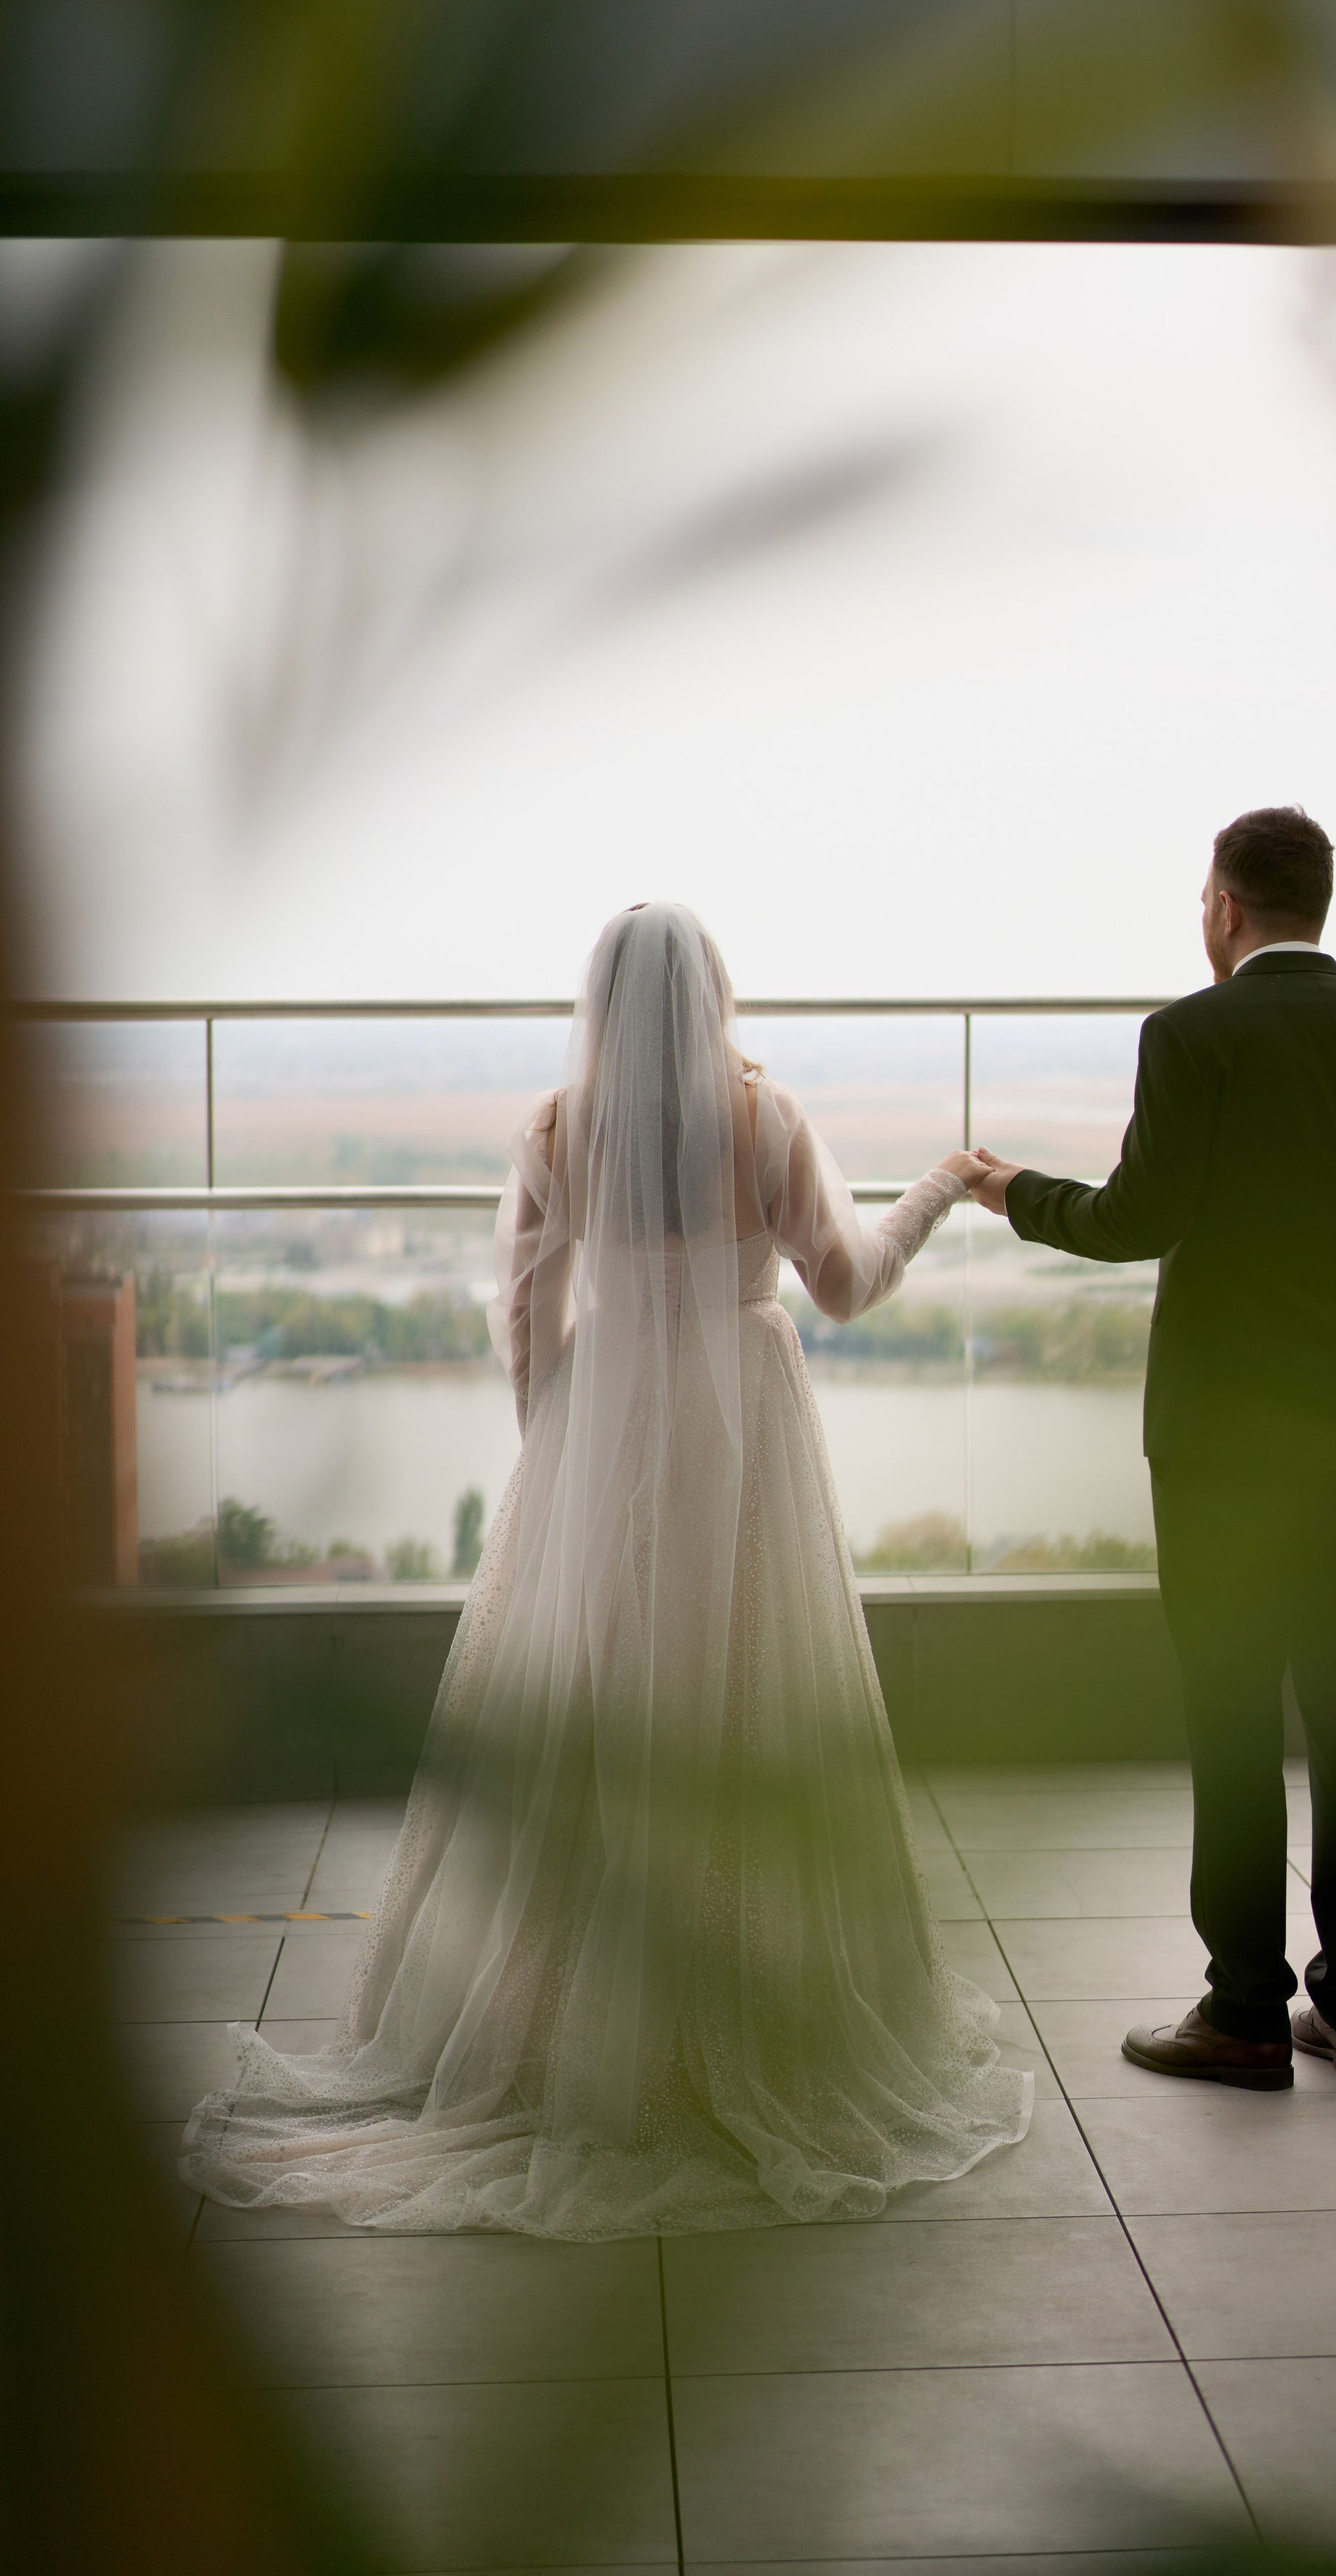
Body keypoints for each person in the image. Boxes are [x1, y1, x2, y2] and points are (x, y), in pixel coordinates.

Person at [182, 905, 1030, 2235]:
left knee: (588, 1715)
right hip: (743, 1439)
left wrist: (561, 1449)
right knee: (745, 1697)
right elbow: (850, 1286)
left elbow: (525, 1305)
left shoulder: (555, 1127)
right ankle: (741, 2013)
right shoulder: (765, 1119)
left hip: (603, 1427)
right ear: (714, 996)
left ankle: (554, 2028)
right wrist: (938, 1188)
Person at [968, 808, 1336, 2090]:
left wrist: (1014, 1192)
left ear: (1226, 909)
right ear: (1321, 904)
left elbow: (1140, 1219)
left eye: (1204, 900)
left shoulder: (1190, 1036)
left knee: (1233, 1713)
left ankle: (1245, 2011)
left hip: (1221, 1452)